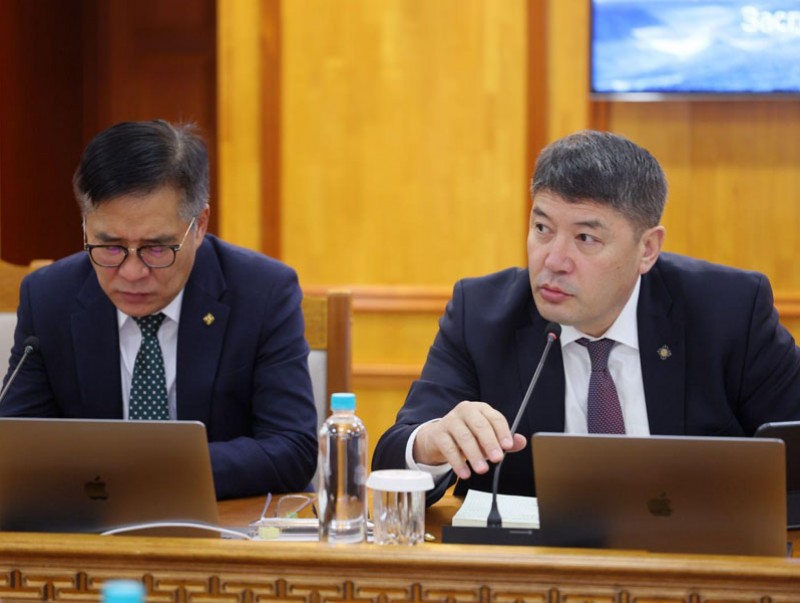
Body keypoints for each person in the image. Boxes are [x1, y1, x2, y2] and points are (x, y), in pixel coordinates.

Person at [372, 129, 800, 505]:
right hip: (535, 566)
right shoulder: (482, 314)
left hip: (697, 559)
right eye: (542, 229)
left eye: (585, 238)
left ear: (647, 249)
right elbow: (393, 457)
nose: (554, 260)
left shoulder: (729, 312)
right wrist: (430, 442)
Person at [0, 119, 318, 500]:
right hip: (92, 525)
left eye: (156, 249)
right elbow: (15, 445)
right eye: (110, 247)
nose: (132, 273)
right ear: (85, 226)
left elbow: (292, 449)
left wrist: (149, 471)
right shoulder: (49, 297)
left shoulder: (262, 293)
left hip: (225, 524)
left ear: (198, 226)